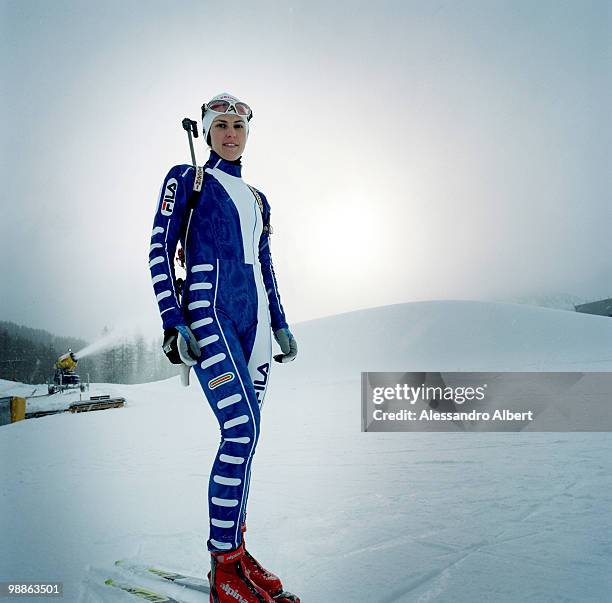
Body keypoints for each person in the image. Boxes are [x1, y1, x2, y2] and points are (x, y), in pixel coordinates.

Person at [148, 92, 299, 603]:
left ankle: (235, 550)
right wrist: (173, 321)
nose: (230, 134)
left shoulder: (258, 197)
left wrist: (279, 322)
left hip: (255, 325)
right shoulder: (188, 179)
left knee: (249, 442)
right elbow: (158, 250)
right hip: (209, 312)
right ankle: (223, 565)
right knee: (241, 430)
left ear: (247, 133)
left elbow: (266, 265)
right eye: (221, 126)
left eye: (239, 125)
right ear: (207, 131)